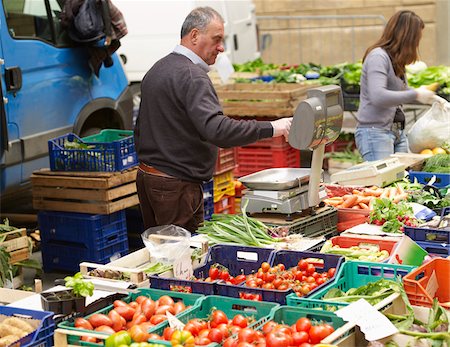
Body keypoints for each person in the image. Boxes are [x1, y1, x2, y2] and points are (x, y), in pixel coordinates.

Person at [134, 7, 292, 232]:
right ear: (195, 35)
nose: (221, 47)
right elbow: (218, 130)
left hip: (150, 179)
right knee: (181, 258)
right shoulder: (192, 76)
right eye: (217, 39)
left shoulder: (158, 68)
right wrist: (272, 127)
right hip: (175, 185)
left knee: (161, 252)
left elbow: (140, 129)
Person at [355, 10, 439, 162]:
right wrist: (416, 94)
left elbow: (401, 92)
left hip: (397, 132)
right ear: (406, 37)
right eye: (416, 39)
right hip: (376, 133)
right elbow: (378, 96)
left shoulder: (395, 60)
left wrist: (428, 96)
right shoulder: (378, 57)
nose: (417, 44)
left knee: (401, 182)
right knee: (383, 184)